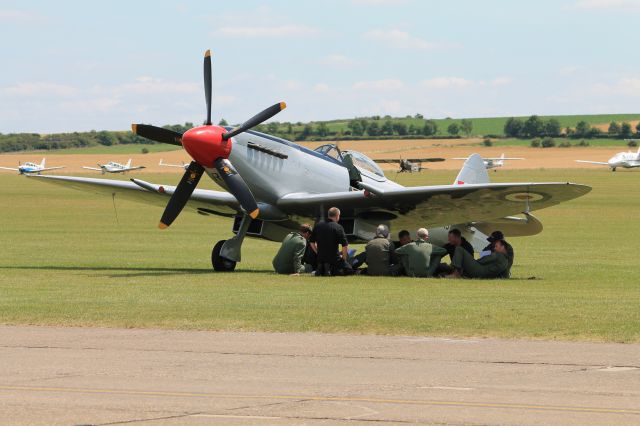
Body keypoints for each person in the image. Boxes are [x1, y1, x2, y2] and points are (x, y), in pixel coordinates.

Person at [309, 207, 351, 276]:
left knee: (325, 263)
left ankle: (322, 269)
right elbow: (345, 245)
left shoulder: (318, 226)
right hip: (334, 258)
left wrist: (317, 252)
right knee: (349, 270)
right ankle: (329, 269)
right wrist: (343, 259)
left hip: (320, 258)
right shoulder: (338, 227)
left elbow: (311, 242)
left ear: (329, 215)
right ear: (337, 215)